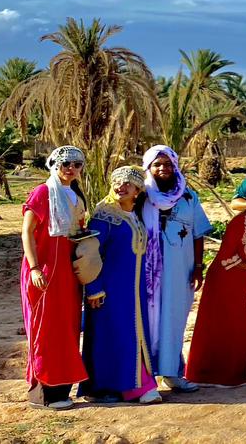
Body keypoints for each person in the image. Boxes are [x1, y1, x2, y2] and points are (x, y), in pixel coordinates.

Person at [185, 186, 246, 387]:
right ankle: (218, 373)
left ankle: (245, 371)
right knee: (231, 323)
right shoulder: (240, 223)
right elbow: (225, 259)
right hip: (226, 279)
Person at [81, 166, 160, 404]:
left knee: (132, 335)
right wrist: (94, 289)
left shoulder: (133, 216)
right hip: (108, 292)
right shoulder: (104, 217)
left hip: (134, 292)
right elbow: (88, 254)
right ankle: (117, 388)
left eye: (127, 184)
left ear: (137, 190)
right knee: (113, 337)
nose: (120, 187)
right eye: (116, 182)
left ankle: (135, 385)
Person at [20, 145, 89, 409]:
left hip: (67, 273)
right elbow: (27, 232)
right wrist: (35, 267)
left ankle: (62, 390)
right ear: (54, 164)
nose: (70, 168)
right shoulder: (42, 192)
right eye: (65, 163)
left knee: (67, 328)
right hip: (45, 270)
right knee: (45, 329)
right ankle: (44, 394)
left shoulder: (75, 195)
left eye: (76, 164)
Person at [140, 144, 211, 392]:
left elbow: (198, 234)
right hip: (146, 272)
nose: (163, 169)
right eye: (157, 164)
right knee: (147, 320)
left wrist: (199, 267)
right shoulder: (140, 196)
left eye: (168, 164)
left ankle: (172, 373)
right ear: (148, 167)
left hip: (180, 270)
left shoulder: (188, 196)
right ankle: (145, 377)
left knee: (174, 319)